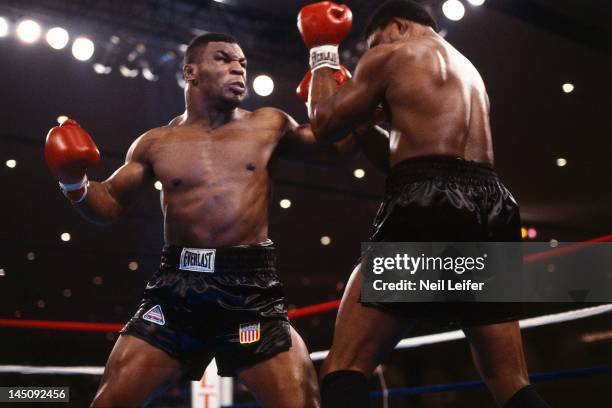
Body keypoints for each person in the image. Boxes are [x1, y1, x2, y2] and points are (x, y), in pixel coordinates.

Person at [44, 32, 354, 408]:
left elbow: (333, 149)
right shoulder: (155, 142)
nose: (238, 68)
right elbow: (107, 202)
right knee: (108, 402)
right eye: (224, 59)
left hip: (248, 292)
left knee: (301, 402)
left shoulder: (268, 124)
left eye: (242, 62)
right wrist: (72, 181)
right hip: (177, 293)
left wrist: (352, 102)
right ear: (191, 72)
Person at [298, 1, 551, 407]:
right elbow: (400, 155)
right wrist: (364, 122)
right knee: (510, 380)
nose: (370, 54)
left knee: (344, 367)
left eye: (373, 43)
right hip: (493, 207)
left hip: (426, 201)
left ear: (397, 26)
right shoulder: (468, 70)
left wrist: (322, 51)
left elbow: (325, 123)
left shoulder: (392, 53)